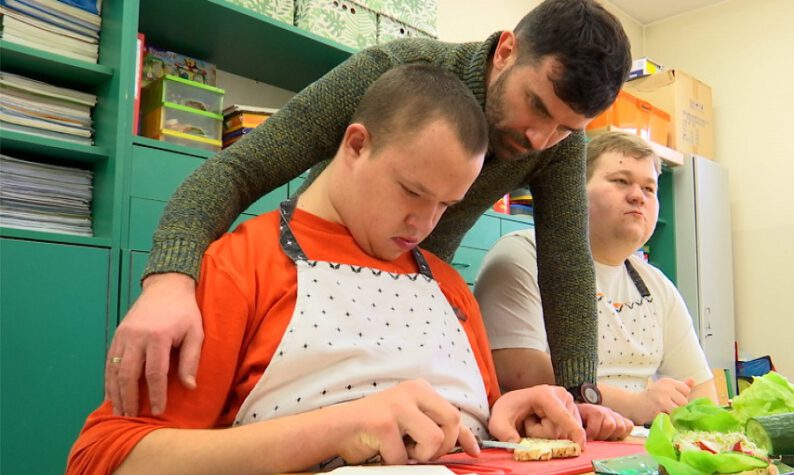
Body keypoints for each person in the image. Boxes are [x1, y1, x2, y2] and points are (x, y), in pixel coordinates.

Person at [63, 66, 612, 475]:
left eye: (445, 205)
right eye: (412, 190)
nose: (423, 222)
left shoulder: (449, 290)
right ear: (355, 144)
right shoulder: (244, 267)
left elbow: (465, 441)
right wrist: (338, 428)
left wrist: (502, 418)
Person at [106, 0, 632, 418]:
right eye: (537, 107)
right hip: (315, 293)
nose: (542, 139)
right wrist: (170, 280)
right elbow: (239, 169)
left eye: (567, 128)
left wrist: (579, 395)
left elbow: (565, 264)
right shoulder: (392, 72)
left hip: (417, 310)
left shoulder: (555, 142)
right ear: (506, 51)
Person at [474, 132, 717, 426]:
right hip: (558, 438)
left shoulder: (658, 286)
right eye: (621, 181)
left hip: (639, 447)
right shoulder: (521, 255)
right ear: (574, 189)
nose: (638, 195)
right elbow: (516, 372)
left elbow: (702, 392)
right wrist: (633, 404)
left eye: (649, 188)